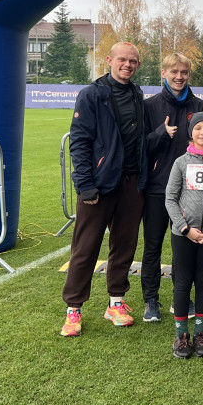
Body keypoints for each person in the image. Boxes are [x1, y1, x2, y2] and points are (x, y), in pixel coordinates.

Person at [60, 42, 147, 337]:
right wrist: (85, 184)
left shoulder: (137, 93)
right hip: (98, 185)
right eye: (122, 59)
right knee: (85, 249)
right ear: (109, 60)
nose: (128, 65)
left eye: (133, 61)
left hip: (131, 184)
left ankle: (116, 303)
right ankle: (73, 309)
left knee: (124, 247)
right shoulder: (91, 95)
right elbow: (80, 142)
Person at [141, 52, 203, 323]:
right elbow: (141, 147)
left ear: (189, 74)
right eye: (174, 72)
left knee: (183, 247)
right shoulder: (150, 106)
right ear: (164, 73)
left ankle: (181, 297)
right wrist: (159, 134)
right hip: (159, 188)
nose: (179, 77)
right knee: (153, 245)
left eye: (184, 72)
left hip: (190, 191)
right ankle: (151, 299)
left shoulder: (200, 104)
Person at [165, 112, 203, 359]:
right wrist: (184, 228)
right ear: (191, 132)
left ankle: (200, 333)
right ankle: (181, 336)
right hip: (184, 235)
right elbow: (170, 198)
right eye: (198, 128)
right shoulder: (181, 162)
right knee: (182, 283)